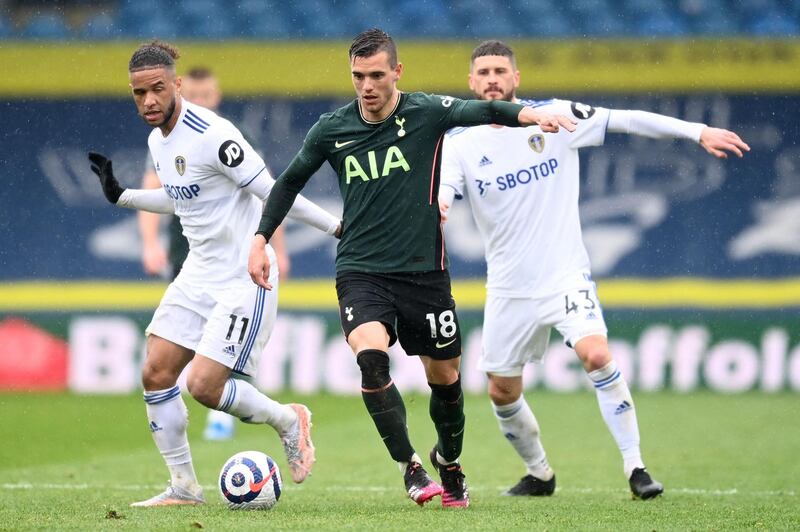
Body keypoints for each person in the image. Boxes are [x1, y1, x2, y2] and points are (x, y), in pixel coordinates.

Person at [246, 28, 576, 509]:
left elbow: (480, 109)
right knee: (370, 358)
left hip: (424, 273)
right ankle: (411, 467)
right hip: (361, 269)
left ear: (397, 72)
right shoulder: (331, 130)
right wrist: (259, 239)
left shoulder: (424, 112)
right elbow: (288, 183)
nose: (368, 86)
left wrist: (529, 115)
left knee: (445, 379)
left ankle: (451, 464)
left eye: (377, 75)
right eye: (359, 76)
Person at [438, 40, 750, 500]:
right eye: (482, 72)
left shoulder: (556, 118)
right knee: (502, 392)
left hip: (565, 275)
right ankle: (540, 474)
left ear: (516, 78)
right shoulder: (460, 141)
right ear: (470, 82)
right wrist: (441, 205)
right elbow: (444, 186)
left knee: (597, 355)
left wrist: (696, 131)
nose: (491, 79)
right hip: (507, 286)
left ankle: (636, 468)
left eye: (500, 70)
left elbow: (626, 119)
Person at [89, 40, 341, 507]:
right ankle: (184, 487)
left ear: (177, 84)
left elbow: (275, 190)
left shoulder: (213, 134)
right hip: (197, 272)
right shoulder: (156, 140)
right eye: (138, 93)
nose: (148, 101)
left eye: (157, 89)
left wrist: (337, 227)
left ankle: (289, 420)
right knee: (156, 371)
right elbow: (181, 197)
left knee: (203, 386)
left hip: (244, 275)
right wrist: (122, 196)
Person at [136, 66, 291, 442]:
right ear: (182, 92)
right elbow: (151, 189)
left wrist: (277, 248)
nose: (202, 101)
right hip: (189, 257)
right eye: (196, 95)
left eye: (208, 95)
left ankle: (222, 406)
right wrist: (150, 242)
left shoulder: (230, 137)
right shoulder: (164, 140)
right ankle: (184, 477)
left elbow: (268, 193)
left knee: (217, 349)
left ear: (217, 96)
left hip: (238, 263)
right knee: (165, 360)